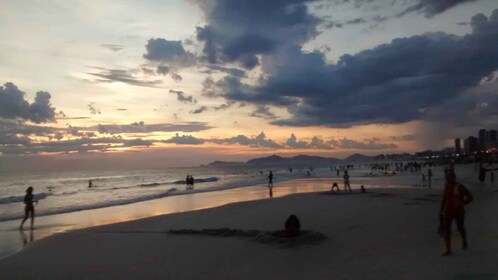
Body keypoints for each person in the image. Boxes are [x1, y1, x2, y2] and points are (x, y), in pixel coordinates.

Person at [439, 169, 473, 256]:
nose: (448, 179)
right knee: (447, 230)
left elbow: (470, 197)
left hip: (459, 212)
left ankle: (464, 240)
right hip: (448, 211)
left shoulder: (460, 186)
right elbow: (444, 199)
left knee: (460, 228)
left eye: (449, 178)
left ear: (454, 178)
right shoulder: (447, 186)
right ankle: (448, 249)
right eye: (447, 178)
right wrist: (441, 211)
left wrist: (462, 203)